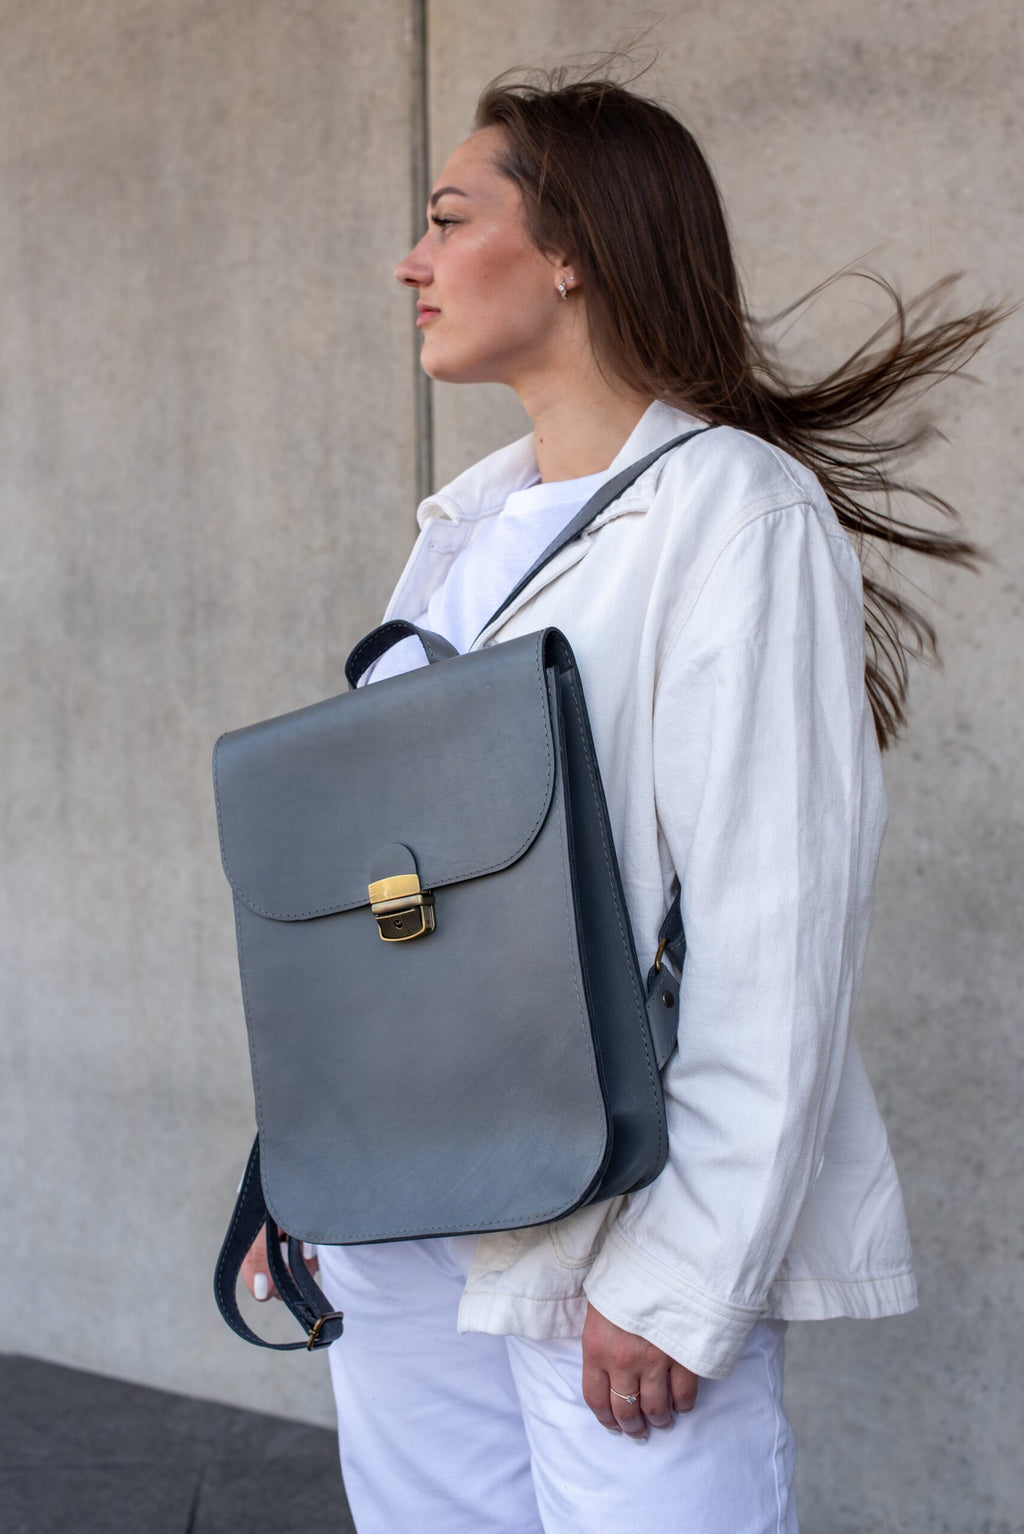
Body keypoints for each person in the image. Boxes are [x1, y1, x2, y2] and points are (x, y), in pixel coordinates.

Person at [240, 66, 1003, 1534]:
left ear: (573, 246)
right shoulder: (463, 532)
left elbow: (776, 921)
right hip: (402, 1215)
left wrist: (689, 1274)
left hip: (606, 1225)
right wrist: (304, 1165)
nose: (411, 260)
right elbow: (394, 911)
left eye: (449, 218)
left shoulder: (733, 510)